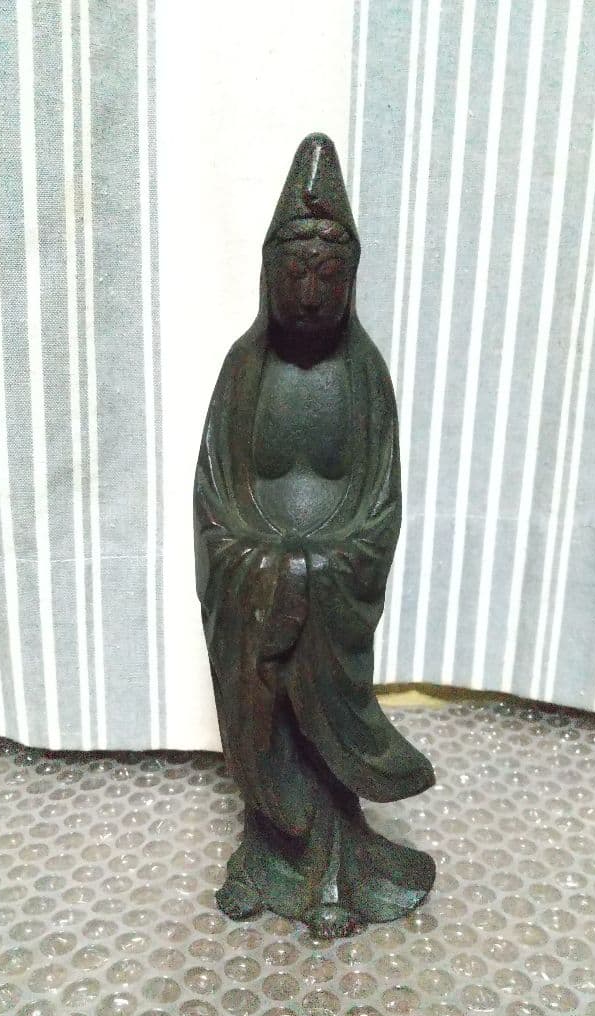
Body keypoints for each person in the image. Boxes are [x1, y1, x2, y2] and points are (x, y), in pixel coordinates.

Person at [194, 133, 435, 937]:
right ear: (266, 275)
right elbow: (213, 497)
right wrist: (263, 566)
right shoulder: (243, 371)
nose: (307, 293)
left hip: (333, 590)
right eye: (293, 272)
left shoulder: (365, 376)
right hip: (256, 584)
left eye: (327, 274)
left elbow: (380, 504)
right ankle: (266, 856)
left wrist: (321, 567)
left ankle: (334, 871)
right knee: (266, 724)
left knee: (322, 734)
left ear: (351, 280)